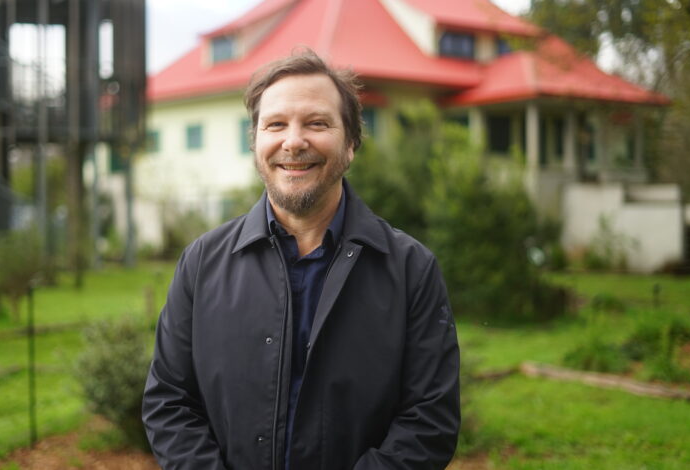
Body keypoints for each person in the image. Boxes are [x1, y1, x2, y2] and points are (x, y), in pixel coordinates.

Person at [142, 48, 460, 470]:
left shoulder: (411, 270)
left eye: (317, 123)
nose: (293, 142)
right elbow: (169, 403)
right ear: (256, 142)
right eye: (276, 124)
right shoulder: (201, 264)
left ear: (350, 144)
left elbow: (429, 422)